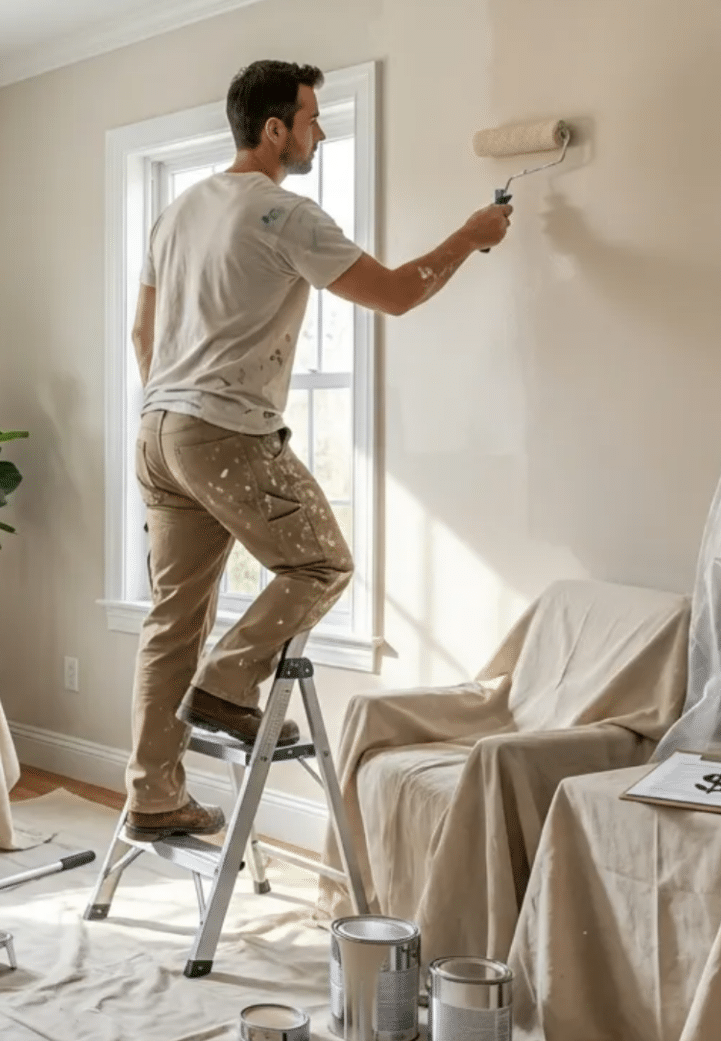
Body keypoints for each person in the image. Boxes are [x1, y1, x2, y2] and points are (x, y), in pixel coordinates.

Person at [123, 60, 514, 841]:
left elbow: (142, 333)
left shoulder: (178, 212)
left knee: (173, 617)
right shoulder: (283, 214)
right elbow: (401, 293)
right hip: (220, 433)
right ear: (274, 130)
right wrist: (471, 237)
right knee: (321, 563)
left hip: (157, 430)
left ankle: (152, 795)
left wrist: (177, 405)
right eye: (310, 119)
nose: (320, 132)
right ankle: (228, 684)